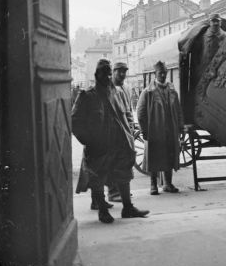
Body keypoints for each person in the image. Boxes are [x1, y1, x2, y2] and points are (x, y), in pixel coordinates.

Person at [72, 58, 149, 224]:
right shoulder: (87, 96)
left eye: (108, 74)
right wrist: (88, 140)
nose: (107, 77)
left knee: (124, 174)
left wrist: (128, 137)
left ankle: (128, 208)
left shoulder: (116, 93)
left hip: (119, 144)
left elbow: (123, 115)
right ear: (97, 75)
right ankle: (102, 210)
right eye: (104, 74)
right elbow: (75, 121)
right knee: (98, 177)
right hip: (99, 147)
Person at [137, 60, 183, 195]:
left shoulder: (172, 90)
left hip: (171, 129)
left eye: (164, 73)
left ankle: (168, 184)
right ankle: (153, 185)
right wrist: (144, 130)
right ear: (155, 74)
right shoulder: (148, 92)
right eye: (160, 73)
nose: (162, 75)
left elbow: (179, 110)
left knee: (169, 155)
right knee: (154, 156)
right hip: (155, 130)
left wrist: (180, 127)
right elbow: (140, 112)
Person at [178, 13, 226, 122]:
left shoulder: (225, 36)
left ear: (220, 22)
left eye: (217, 21)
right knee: (201, 93)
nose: (215, 23)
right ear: (210, 22)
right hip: (202, 69)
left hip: (219, 70)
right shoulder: (203, 36)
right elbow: (196, 53)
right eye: (213, 21)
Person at [106, 61, 136, 203]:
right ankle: (113, 193)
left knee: (123, 163)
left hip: (124, 132)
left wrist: (131, 126)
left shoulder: (125, 88)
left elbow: (128, 110)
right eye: (120, 71)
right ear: (113, 72)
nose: (123, 74)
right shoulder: (108, 88)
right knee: (111, 163)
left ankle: (120, 191)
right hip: (111, 133)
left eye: (124, 71)